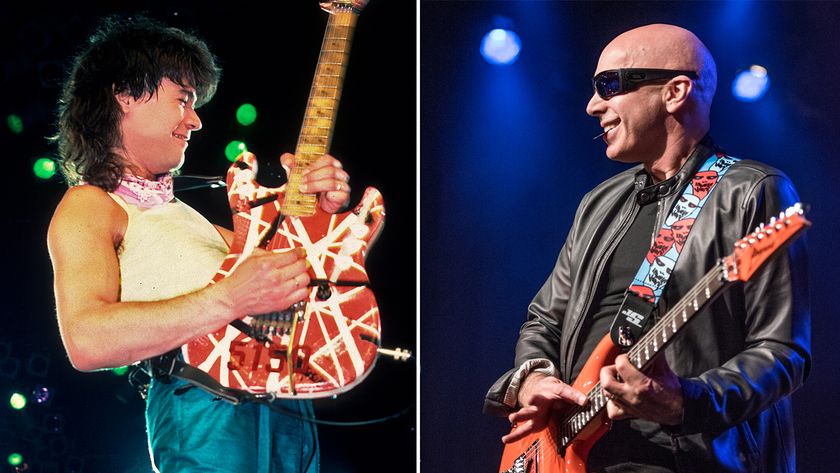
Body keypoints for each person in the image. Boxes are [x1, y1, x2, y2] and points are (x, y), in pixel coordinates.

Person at [485, 24, 810, 473]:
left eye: (609, 85)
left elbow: (782, 352)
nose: (592, 105)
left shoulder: (751, 191)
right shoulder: (600, 202)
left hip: (689, 459)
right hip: (575, 452)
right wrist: (534, 378)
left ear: (675, 91)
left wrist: (682, 401)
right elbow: (544, 319)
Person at [47, 16, 352, 472]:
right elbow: (87, 341)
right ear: (126, 95)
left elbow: (308, 290)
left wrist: (325, 214)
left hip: (288, 411)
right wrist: (228, 297)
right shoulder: (91, 204)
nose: (195, 119)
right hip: (206, 408)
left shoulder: (200, 224)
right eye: (183, 100)